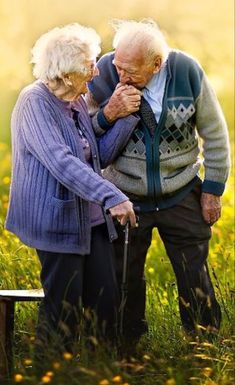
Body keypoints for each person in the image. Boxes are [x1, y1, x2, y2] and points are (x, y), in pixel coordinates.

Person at [86, 19, 230, 349]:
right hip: (124, 194)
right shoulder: (105, 72)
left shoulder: (187, 72)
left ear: (157, 64)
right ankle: (126, 348)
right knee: (124, 277)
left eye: (130, 70)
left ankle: (204, 345)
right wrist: (109, 112)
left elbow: (216, 134)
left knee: (194, 273)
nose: (120, 76)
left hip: (180, 190)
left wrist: (212, 189)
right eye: (118, 65)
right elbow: (85, 136)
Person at [5, 23, 139, 355]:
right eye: (89, 65)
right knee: (63, 310)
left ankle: (100, 368)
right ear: (66, 74)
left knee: (105, 303)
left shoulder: (76, 101)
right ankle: (52, 369)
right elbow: (61, 161)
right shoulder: (33, 102)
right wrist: (113, 195)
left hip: (91, 221)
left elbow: (97, 156)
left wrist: (123, 117)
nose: (96, 72)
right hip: (56, 219)